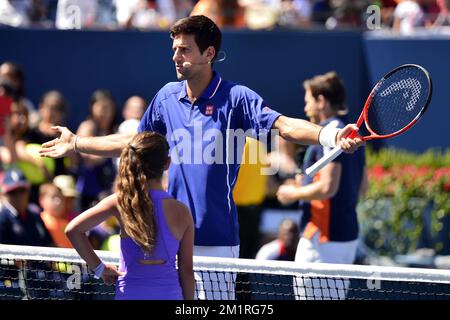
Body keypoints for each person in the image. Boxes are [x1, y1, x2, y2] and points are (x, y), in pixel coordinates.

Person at [40, 15, 363, 299]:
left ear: (209, 54)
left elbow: (283, 125)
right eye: (174, 50)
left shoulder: (237, 98)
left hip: (217, 239)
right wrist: (78, 142)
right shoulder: (166, 97)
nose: (176, 57)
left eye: (185, 50)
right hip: (169, 235)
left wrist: (330, 135)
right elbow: (133, 142)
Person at [65, 131, 195, 300]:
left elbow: (73, 230)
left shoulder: (120, 202)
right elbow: (186, 271)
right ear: (167, 163)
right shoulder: (182, 211)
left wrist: (99, 268)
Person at [276, 71, 367, 299]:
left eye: (308, 100)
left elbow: (328, 188)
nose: (305, 106)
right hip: (346, 237)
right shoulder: (350, 136)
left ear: (321, 101)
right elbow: (361, 188)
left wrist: (293, 193)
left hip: (323, 239)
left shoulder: (332, 134)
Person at [0, 168, 53, 246]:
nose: (18, 196)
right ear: (5, 194)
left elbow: (48, 244)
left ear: (28, 190)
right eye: (13, 192)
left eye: (22, 190)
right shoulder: (2, 219)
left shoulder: (35, 215)